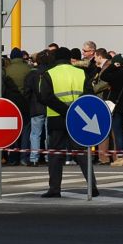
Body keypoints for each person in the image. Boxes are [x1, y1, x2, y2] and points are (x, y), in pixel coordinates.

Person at [38, 46, 97, 198]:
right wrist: (73, 110)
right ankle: (92, 186)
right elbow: (89, 94)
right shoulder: (80, 73)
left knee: (56, 155)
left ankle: (54, 188)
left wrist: (64, 110)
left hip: (56, 119)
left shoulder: (49, 74)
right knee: (82, 153)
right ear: (69, 58)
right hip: (78, 118)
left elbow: (45, 97)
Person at [2, 49, 32, 166]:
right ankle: (24, 157)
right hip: (25, 102)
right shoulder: (28, 68)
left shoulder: (6, 70)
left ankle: (13, 157)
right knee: (25, 129)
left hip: (11, 103)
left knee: (13, 130)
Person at [103, 54, 123, 166]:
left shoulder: (116, 74)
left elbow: (104, 76)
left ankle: (120, 158)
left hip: (116, 106)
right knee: (121, 131)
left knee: (117, 131)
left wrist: (112, 66)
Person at [24, 50, 49, 166]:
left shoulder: (32, 74)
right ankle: (49, 157)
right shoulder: (51, 72)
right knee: (49, 134)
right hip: (51, 107)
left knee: (35, 134)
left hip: (36, 107)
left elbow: (27, 92)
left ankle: (34, 158)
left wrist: (29, 103)